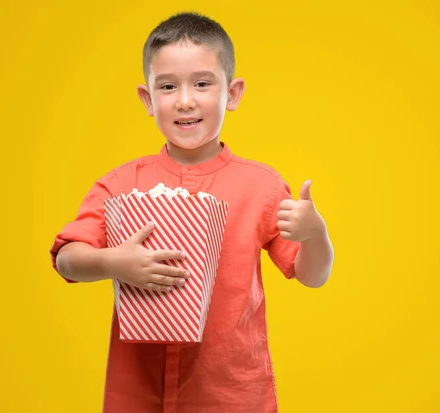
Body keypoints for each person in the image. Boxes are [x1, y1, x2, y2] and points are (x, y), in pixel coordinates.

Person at [50, 11, 334, 413]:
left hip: (232, 395)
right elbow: (66, 260)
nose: (185, 100)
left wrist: (314, 235)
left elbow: (313, 275)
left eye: (202, 83)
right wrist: (114, 262)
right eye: (167, 86)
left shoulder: (263, 186)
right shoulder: (119, 183)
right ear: (148, 100)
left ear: (232, 94)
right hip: (137, 394)